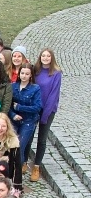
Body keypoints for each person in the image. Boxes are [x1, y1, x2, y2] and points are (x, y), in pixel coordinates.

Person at [31, 49, 62, 182]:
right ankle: (24, 163)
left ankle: (36, 166)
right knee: (29, 135)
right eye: (43, 55)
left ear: (52, 58)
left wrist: (45, 114)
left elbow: (53, 95)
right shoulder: (35, 70)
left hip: (48, 110)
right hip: (34, 108)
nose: (45, 58)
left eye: (48, 56)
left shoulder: (56, 73)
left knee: (42, 139)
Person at [9, 63, 42, 171]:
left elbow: (37, 107)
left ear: (30, 75)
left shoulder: (35, 88)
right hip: (14, 120)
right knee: (10, 146)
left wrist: (20, 107)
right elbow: (8, 105)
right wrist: (13, 115)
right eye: (22, 73)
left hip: (28, 121)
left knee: (20, 146)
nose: (24, 76)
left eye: (27, 74)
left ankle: (17, 173)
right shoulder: (13, 86)